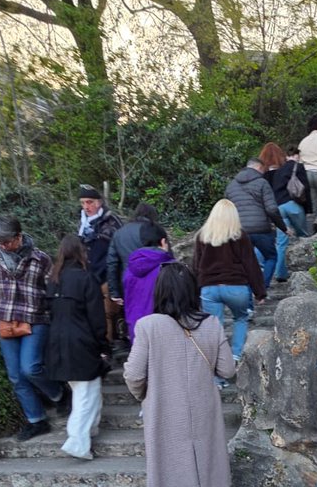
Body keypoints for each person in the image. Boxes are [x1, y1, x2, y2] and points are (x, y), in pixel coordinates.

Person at [123, 261, 236, 487]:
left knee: (176, 476)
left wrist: (145, 394)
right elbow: (227, 369)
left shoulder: (148, 326)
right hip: (202, 410)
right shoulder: (211, 323)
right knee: (191, 472)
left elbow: (133, 374)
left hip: (165, 412)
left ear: (160, 292)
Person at [0, 214, 69, 441]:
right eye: (0, 243)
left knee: (30, 368)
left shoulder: (40, 258)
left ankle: (59, 393)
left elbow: (52, 288)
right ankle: (36, 420)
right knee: (16, 377)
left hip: (35, 318)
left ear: (19, 236)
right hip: (5, 320)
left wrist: (45, 310)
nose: (4, 246)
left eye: (8, 241)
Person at [44, 235, 110, 460]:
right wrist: (103, 345)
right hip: (82, 342)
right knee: (86, 393)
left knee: (84, 390)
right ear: (81, 252)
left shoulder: (53, 280)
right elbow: (97, 318)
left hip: (57, 343)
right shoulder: (86, 278)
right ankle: (77, 440)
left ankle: (91, 430)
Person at [192, 198, 266, 366]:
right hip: (236, 287)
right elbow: (251, 264)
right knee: (240, 318)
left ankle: (217, 367)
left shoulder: (203, 236)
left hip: (209, 288)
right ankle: (236, 355)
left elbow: (196, 265)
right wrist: (259, 292)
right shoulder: (240, 236)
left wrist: (194, 292)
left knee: (214, 328)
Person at [224, 156, 289, 288]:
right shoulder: (262, 183)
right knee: (271, 257)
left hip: (239, 231)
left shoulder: (231, 186)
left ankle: (248, 303)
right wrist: (283, 228)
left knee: (244, 262)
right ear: (259, 168)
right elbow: (272, 209)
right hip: (261, 230)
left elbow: (226, 209)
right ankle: (261, 288)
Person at [106, 201, 161, 349]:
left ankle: (136, 350)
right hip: (153, 281)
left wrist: (114, 291)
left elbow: (111, 263)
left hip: (128, 281)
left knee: (133, 317)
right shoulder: (154, 230)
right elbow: (164, 255)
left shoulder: (119, 233)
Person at [76, 183, 122, 345]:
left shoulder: (111, 221)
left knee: (107, 314)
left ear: (99, 202)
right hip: (89, 276)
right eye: (83, 203)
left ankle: (108, 348)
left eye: (89, 202)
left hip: (107, 275)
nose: (86, 206)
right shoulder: (82, 224)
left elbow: (116, 250)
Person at [266, 144, 310, 283]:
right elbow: (305, 189)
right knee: (304, 236)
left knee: (281, 242)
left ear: (287, 156)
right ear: (297, 156)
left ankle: (280, 274)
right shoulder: (299, 167)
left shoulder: (279, 171)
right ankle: (307, 270)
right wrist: (309, 210)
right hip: (293, 206)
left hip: (279, 208)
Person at [122, 224, 176, 336]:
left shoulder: (129, 269)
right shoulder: (169, 267)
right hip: (163, 331)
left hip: (136, 329)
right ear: (163, 241)